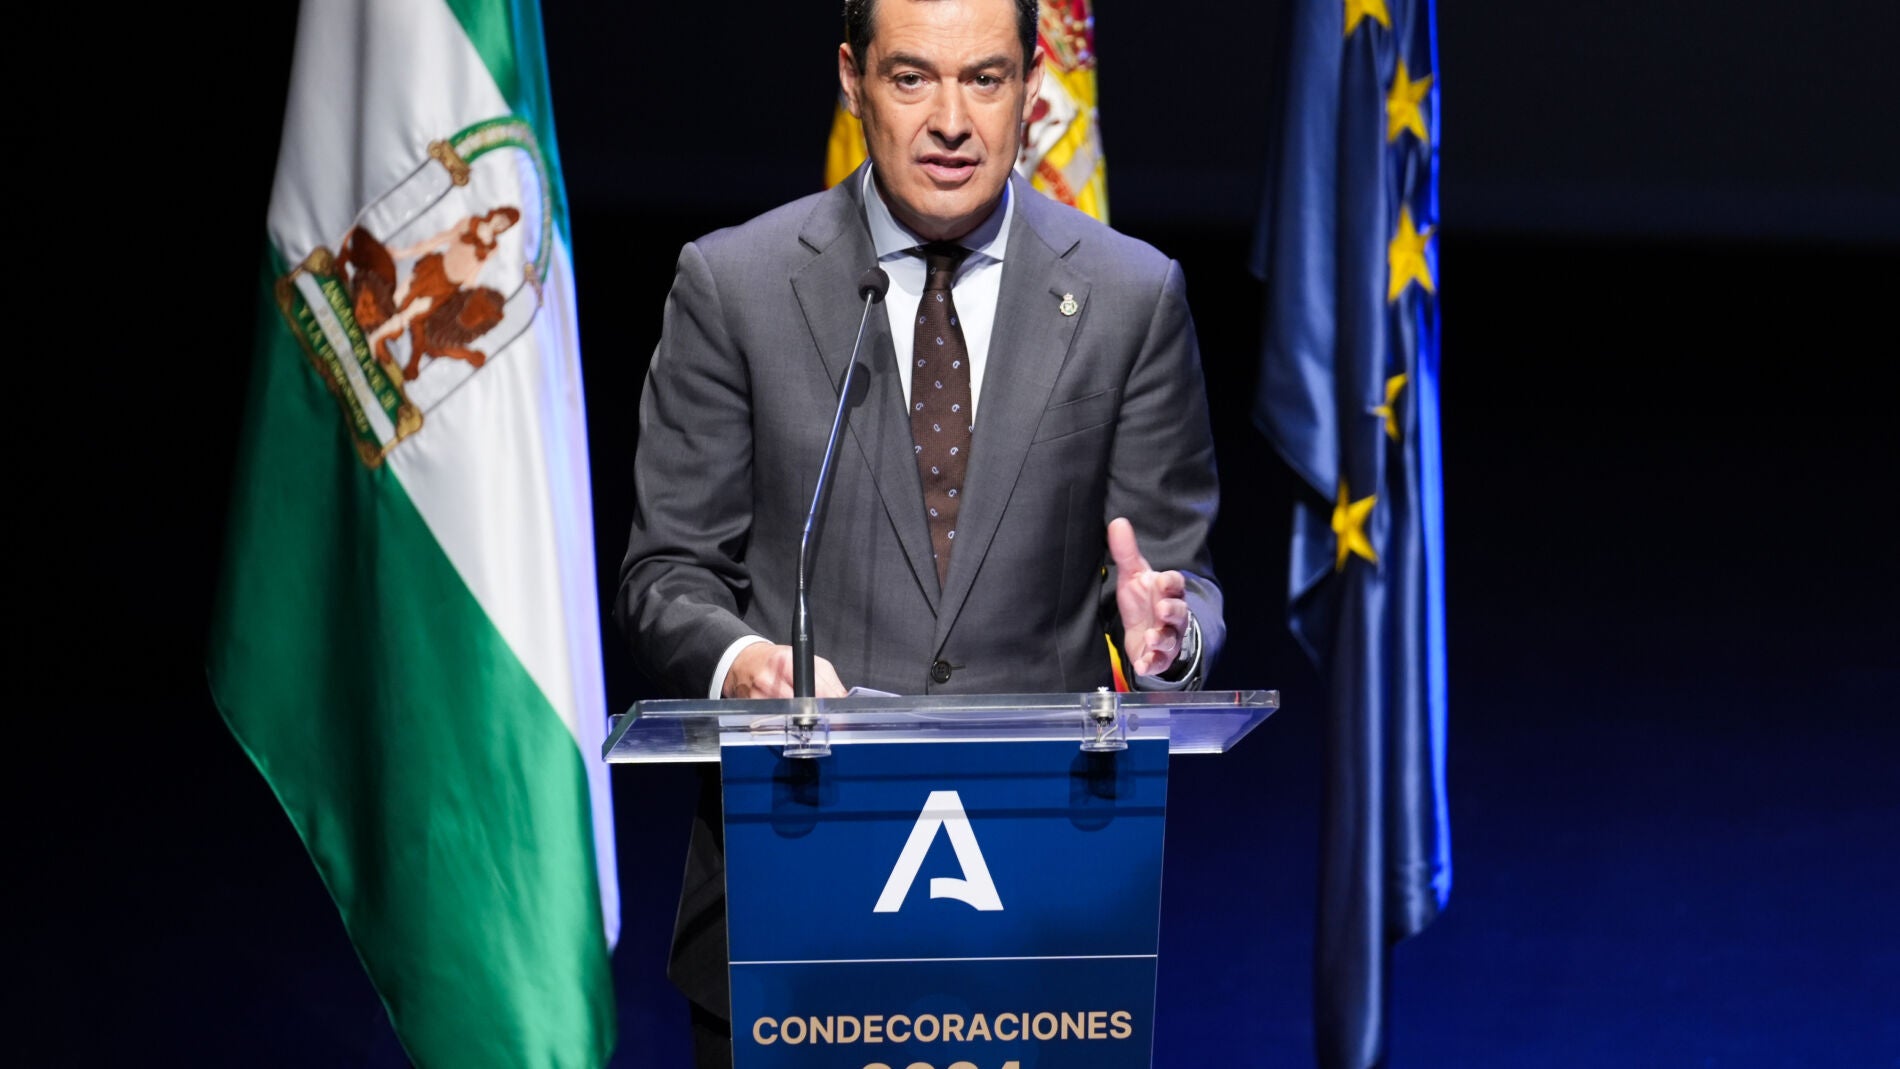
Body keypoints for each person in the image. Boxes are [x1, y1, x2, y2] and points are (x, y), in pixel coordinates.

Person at [614, 0, 1223, 1063]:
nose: (950, 120)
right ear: (853, 79)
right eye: (911, 78)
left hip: (1042, 913)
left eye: (984, 79)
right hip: (796, 894)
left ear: (1032, 86)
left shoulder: (1131, 295)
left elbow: (1179, 582)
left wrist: (1167, 641)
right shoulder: (734, 286)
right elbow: (666, 574)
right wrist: (743, 661)